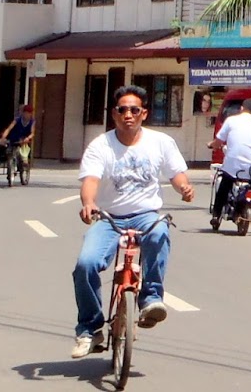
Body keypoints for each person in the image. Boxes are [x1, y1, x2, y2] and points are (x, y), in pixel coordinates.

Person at [71, 85, 195, 359]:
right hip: (109, 217)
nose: (128, 114)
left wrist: (184, 188)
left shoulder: (160, 142)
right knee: (85, 265)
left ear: (144, 114)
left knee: (159, 232)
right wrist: (89, 203)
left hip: (145, 215)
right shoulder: (100, 145)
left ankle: (150, 299)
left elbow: (177, 174)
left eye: (134, 110)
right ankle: (90, 329)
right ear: (114, 114)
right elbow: (90, 180)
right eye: (122, 110)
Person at [207, 97, 251, 230]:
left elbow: (218, 142)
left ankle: (216, 216)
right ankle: (250, 204)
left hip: (232, 167)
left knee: (223, 186)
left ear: (241, 108)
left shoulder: (231, 121)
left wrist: (211, 145)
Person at [0, 104, 36, 169]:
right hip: (14, 138)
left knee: (23, 151)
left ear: (31, 114)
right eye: (25, 113)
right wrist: (3, 137)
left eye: (28, 113)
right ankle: (11, 166)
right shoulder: (17, 120)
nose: (26, 115)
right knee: (9, 151)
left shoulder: (32, 122)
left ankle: (24, 161)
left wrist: (28, 138)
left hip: (24, 140)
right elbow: (9, 129)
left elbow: (32, 133)